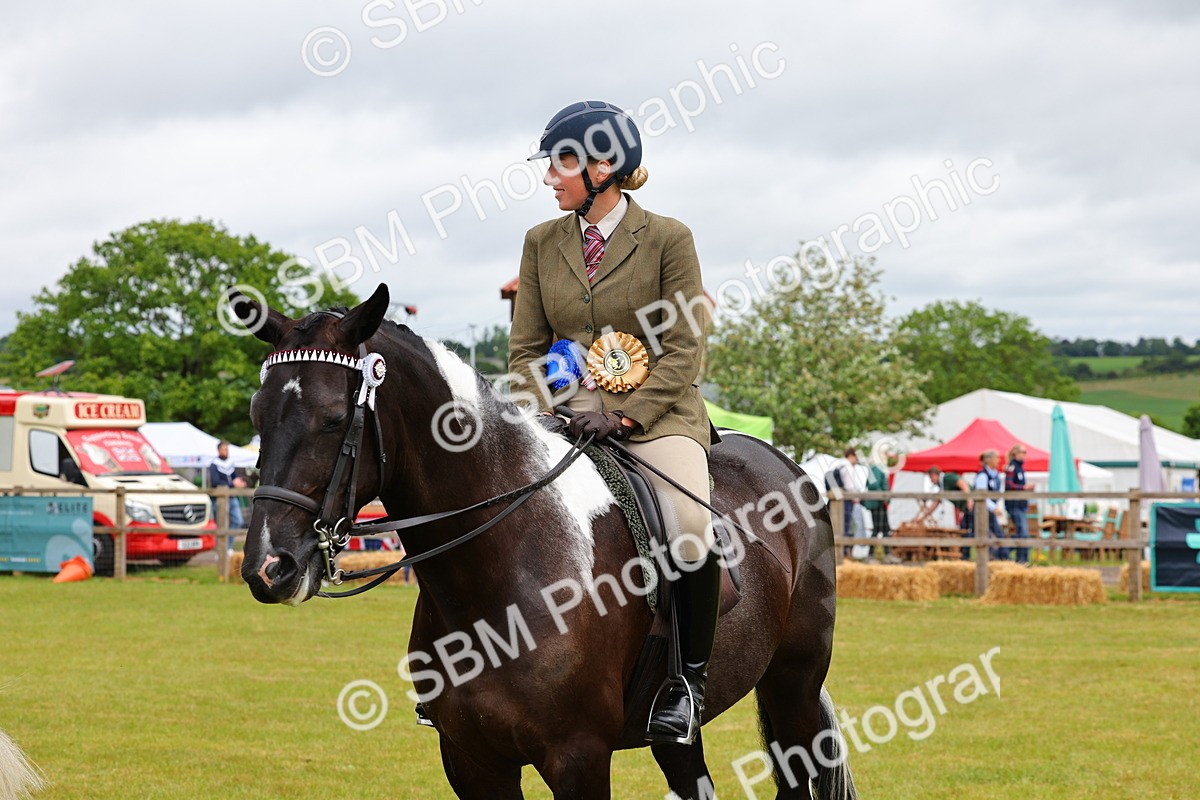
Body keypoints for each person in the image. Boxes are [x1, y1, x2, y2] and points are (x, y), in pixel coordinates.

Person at [509, 100, 717, 745]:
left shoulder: (667, 237)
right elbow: (525, 350)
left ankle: (687, 681)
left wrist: (629, 413)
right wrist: (544, 408)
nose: (550, 178)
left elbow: (686, 346)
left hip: (657, 414)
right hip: (566, 416)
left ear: (605, 167)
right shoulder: (542, 243)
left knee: (687, 528)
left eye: (562, 162)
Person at [963, 450, 1009, 560]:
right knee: (985, 536)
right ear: (989, 460)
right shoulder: (982, 476)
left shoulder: (995, 476)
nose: (998, 461)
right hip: (981, 511)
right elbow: (981, 496)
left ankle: (1004, 560)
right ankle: (994, 560)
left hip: (989, 510)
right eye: (996, 458)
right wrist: (994, 507)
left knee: (998, 535)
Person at [208, 440, 245, 530]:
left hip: (231, 497)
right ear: (219, 450)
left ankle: (228, 544)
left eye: (227, 449)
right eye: (224, 449)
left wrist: (240, 481)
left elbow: (234, 477)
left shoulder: (230, 463)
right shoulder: (214, 465)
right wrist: (232, 483)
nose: (226, 451)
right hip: (220, 498)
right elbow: (215, 482)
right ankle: (220, 544)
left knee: (238, 521)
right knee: (221, 525)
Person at [863, 457, 893, 561]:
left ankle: (886, 554)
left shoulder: (877, 470)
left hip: (879, 503)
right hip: (877, 503)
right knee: (878, 528)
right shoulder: (875, 469)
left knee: (884, 529)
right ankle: (872, 554)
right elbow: (873, 485)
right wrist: (884, 496)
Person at [1005, 444, 1030, 563]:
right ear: (1015, 453)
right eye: (1022, 452)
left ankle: (1021, 559)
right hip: (1014, 505)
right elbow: (1009, 485)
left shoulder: (1020, 468)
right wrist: (1024, 488)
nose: (1024, 455)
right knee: (1023, 533)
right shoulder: (1012, 467)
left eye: (1025, 453)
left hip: (1021, 505)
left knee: (1023, 533)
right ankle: (1018, 558)